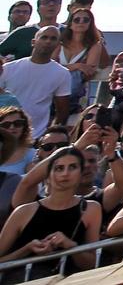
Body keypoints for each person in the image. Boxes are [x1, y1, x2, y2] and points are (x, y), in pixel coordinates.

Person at [0, 144, 101, 279]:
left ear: (81, 172)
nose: (65, 173)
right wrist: (27, 250)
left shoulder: (91, 209)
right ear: (48, 176)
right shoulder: (23, 212)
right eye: (59, 168)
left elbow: (91, 263)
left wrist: (71, 246)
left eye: (72, 167)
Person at [0, 31, 69, 138]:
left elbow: (62, 110)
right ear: (33, 42)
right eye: (44, 37)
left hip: (36, 136)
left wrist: (48, 137)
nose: (48, 41)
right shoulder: (8, 68)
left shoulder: (62, 73)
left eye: (53, 39)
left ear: (58, 44)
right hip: (5, 136)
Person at [55, 11, 103, 109]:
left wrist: (63, 68)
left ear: (90, 23)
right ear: (70, 24)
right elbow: (50, 66)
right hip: (52, 87)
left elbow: (88, 71)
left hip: (75, 95)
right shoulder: (59, 43)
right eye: (77, 20)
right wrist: (78, 66)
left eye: (86, 20)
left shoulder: (94, 45)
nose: (81, 22)